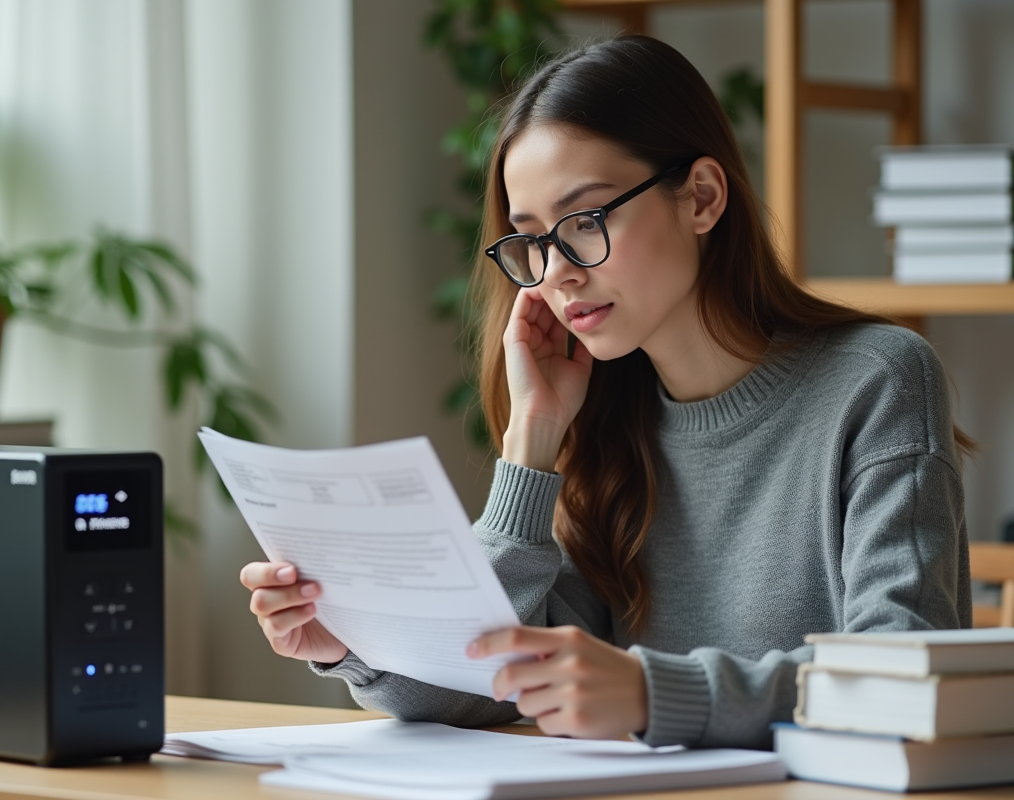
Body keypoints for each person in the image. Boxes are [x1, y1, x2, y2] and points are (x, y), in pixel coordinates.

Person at [239, 35, 972, 750]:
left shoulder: (878, 381)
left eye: (584, 221)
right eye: (531, 239)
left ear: (703, 197)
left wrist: (655, 694)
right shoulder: (610, 423)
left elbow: (903, 675)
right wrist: (530, 438)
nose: (555, 271)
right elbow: (481, 678)